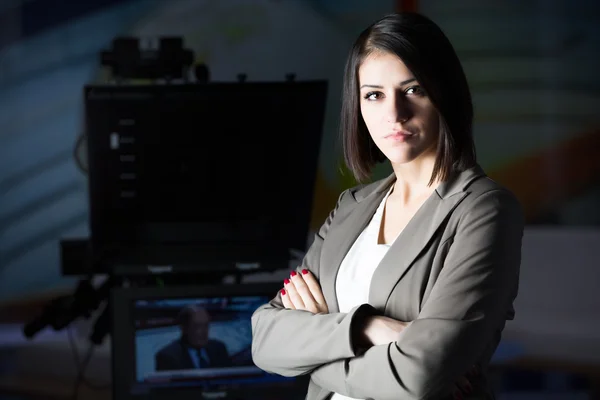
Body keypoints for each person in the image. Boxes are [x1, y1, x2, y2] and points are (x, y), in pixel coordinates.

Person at [251, 12, 523, 400]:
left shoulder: (483, 210)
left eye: (413, 90)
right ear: (358, 106)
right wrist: (366, 328)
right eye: (374, 94)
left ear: (445, 94)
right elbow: (265, 341)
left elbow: (419, 375)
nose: (394, 114)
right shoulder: (351, 207)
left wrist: (314, 350)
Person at [155, 305, 231, 371]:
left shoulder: (219, 348)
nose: (204, 332)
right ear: (184, 328)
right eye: (197, 326)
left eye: (206, 325)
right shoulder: (168, 357)